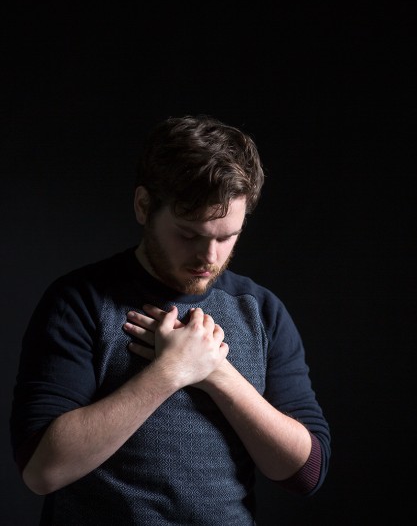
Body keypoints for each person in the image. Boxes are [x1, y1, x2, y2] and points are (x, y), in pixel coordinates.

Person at [10, 114, 331, 525]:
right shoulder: (80, 301)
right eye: (189, 234)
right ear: (144, 206)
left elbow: (306, 474)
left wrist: (216, 372)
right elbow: (42, 472)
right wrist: (170, 372)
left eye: (226, 236)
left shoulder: (261, 311)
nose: (209, 257)